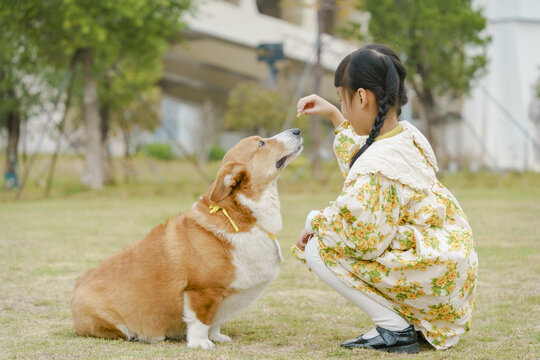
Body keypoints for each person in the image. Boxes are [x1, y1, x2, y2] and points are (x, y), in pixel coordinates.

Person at [291, 44, 478, 354]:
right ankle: (410, 321)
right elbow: (363, 155)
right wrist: (336, 115)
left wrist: (314, 222)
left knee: (316, 248)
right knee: (333, 236)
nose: (344, 106)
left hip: (433, 270)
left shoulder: (378, 164)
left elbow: (363, 237)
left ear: (362, 97)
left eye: (343, 99)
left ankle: (395, 329)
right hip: (449, 266)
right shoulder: (406, 136)